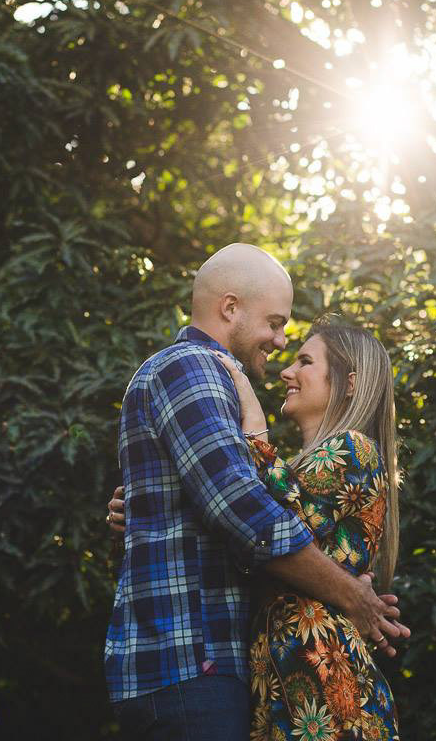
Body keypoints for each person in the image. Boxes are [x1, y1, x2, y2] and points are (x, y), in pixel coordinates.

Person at [104, 244, 408, 741]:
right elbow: (243, 511)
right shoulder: (194, 369)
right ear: (230, 308)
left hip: (283, 680)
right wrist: (353, 594)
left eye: (301, 352)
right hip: (195, 664)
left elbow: (257, 512)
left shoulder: (344, 449)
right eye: (275, 322)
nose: (279, 343)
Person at [217, 317, 401, 740]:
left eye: (305, 361)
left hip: (326, 690)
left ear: (349, 383)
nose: (286, 372)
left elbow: (281, 531)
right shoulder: (306, 468)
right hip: (295, 690)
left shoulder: (351, 446)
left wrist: (254, 427)